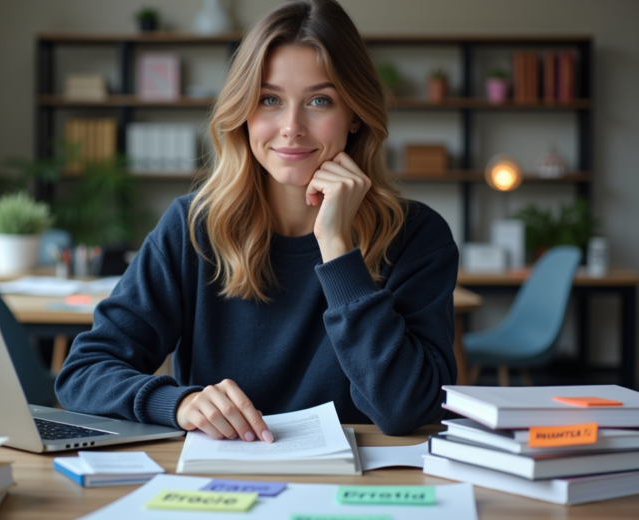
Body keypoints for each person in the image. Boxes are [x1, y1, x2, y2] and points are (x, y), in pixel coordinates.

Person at [55, 0, 458, 441]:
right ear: (243, 112)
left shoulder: (417, 236)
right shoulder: (193, 227)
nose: (291, 127)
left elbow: (406, 410)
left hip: (355, 476)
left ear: (355, 115)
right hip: (219, 476)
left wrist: (338, 249)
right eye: (269, 99)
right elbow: (84, 373)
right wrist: (179, 403)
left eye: (320, 101)